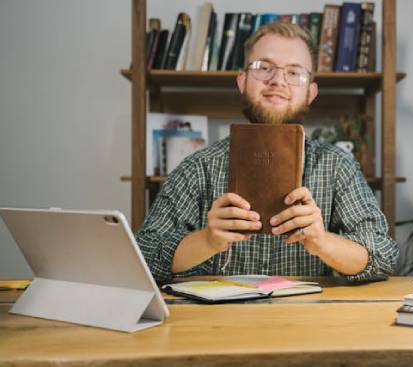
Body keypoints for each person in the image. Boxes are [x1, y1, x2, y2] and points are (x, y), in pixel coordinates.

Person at [136, 22, 399, 283]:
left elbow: (385, 257)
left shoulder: (336, 166)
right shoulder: (198, 167)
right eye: (264, 68)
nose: (278, 81)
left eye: (295, 73)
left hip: (308, 321)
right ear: (242, 81)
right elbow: (142, 256)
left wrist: (322, 241)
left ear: (311, 92)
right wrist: (208, 240)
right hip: (218, 321)